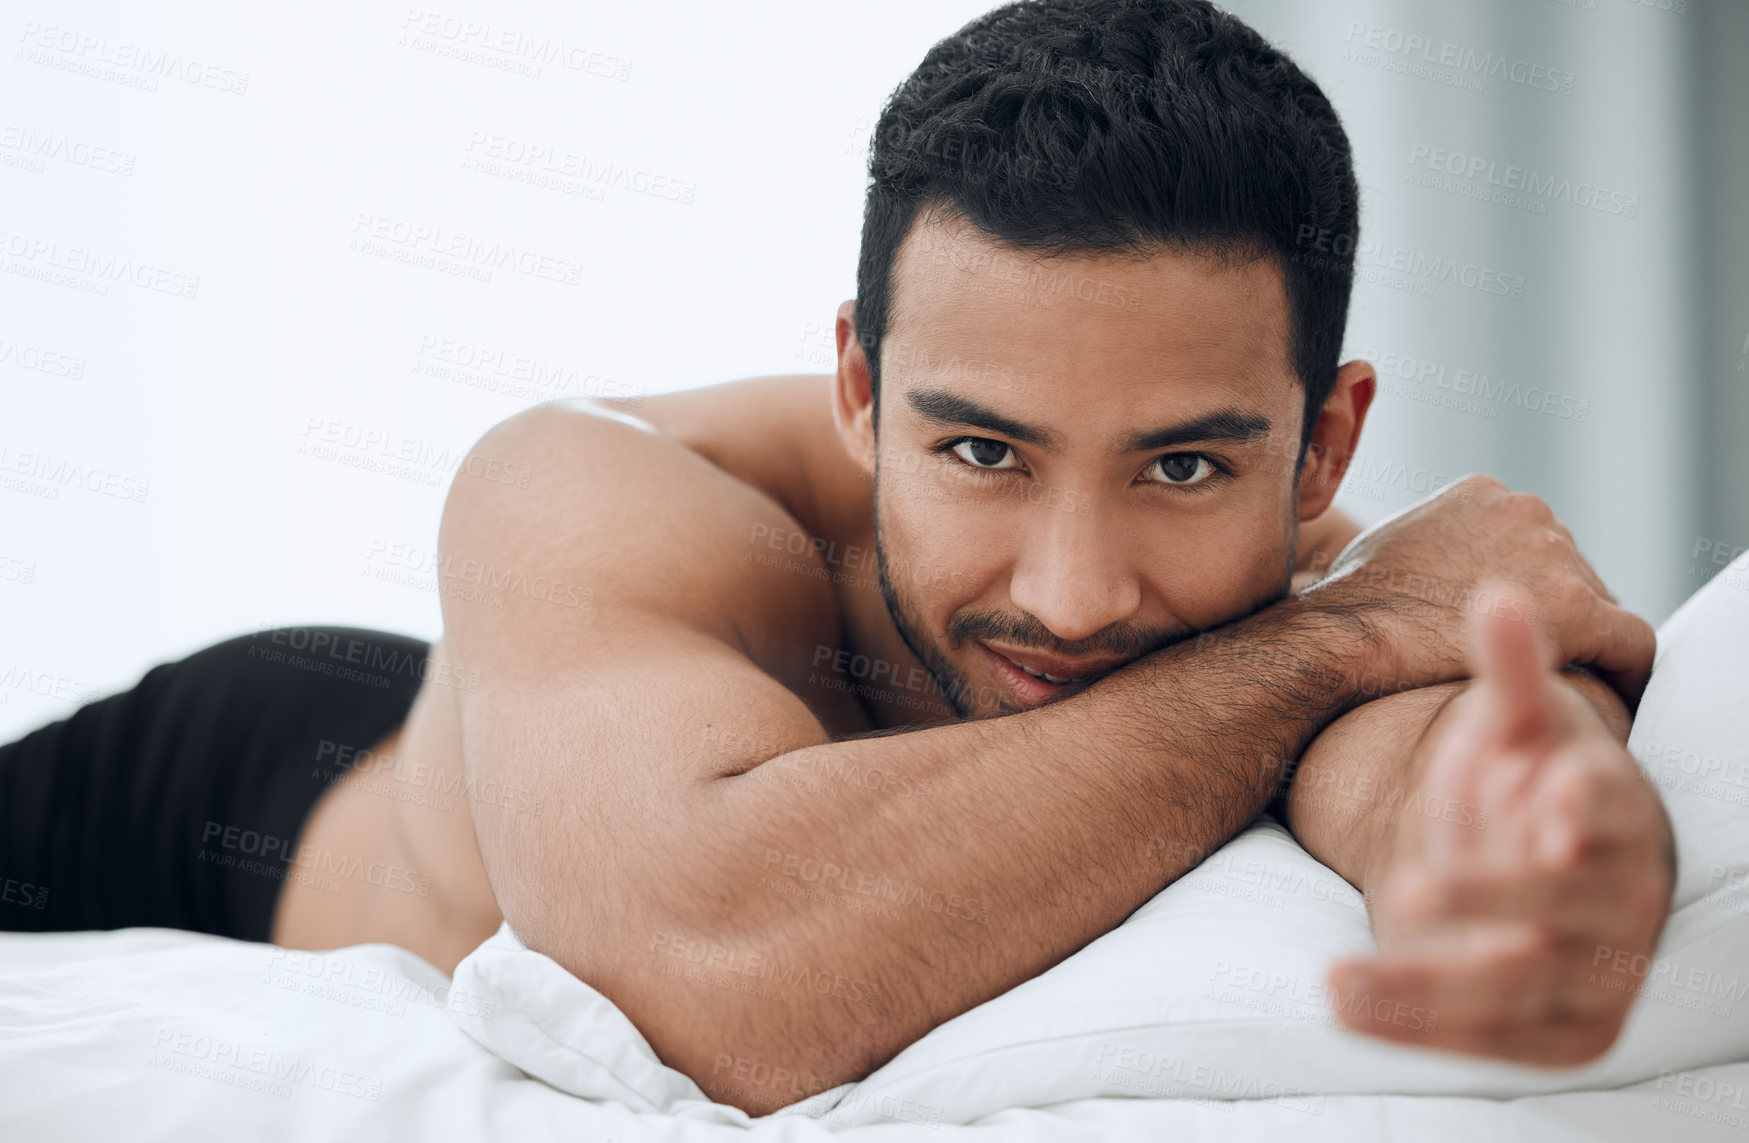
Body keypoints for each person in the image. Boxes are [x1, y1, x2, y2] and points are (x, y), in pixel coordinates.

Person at [0, 0, 1672, 1115]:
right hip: (215, 794)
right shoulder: (599, 484)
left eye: (1179, 464)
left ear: (1322, 446)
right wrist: (1330, 646)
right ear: (860, 390)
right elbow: (712, 971)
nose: (1076, 591)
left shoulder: (1342, 599)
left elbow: (1440, 790)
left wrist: (1528, 816)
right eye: (980, 451)